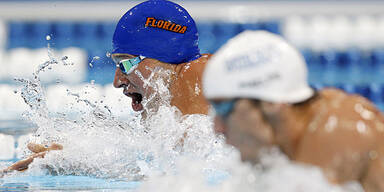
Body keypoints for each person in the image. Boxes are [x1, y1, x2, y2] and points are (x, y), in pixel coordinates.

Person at [2, 0, 210, 175]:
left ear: (165, 58)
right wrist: (75, 159)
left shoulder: (195, 72)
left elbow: (178, 173)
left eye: (125, 64)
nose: (116, 81)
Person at [202, 30, 384, 192]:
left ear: (271, 103)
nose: (217, 127)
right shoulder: (294, 139)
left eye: (224, 108)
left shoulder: (336, 132)